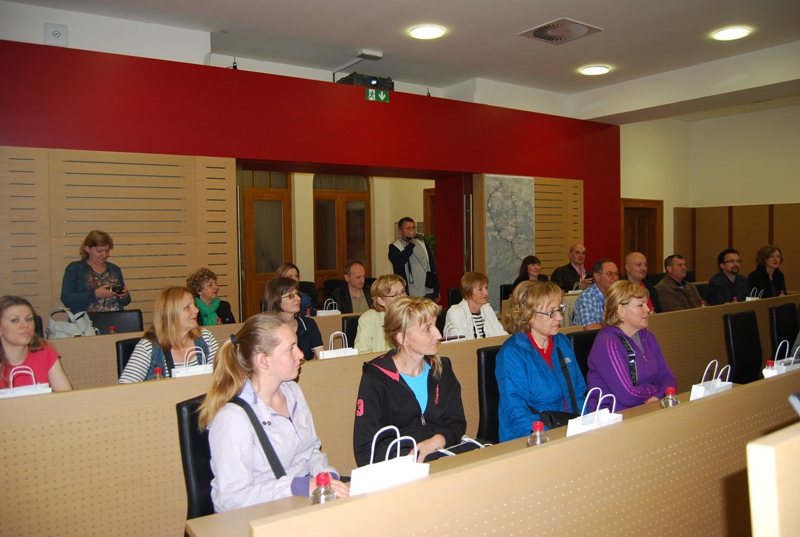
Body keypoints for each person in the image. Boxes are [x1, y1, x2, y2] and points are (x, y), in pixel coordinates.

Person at [198, 313, 348, 512]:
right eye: (291, 349)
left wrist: (327, 476)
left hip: (299, 503)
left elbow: (311, 450)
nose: (301, 354)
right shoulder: (233, 418)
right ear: (263, 360)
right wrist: (294, 486)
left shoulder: (292, 391)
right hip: (261, 514)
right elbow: (231, 499)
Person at [353, 296, 466, 466]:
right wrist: (407, 458)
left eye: (435, 325)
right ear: (402, 338)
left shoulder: (441, 370)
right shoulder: (376, 379)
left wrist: (438, 440)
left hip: (442, 459)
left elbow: (457, 423)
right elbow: (365, 449)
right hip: (399, 468)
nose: (438, 335)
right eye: (427, 329)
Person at [496, 281, 587, 440]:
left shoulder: (562, 343)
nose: (560, 317)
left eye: (559, 309)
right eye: (552, 312)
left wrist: (584, 425)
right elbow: (517, 415)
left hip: (567, 433)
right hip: (531, 439)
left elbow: (579, 393)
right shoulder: (512, 354)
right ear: (529, 315)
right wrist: (553, 437)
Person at [586, 280, 677, 411]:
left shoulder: (648, 337)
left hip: (647, 409)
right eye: (640, 305)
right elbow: (627, 395)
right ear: (621, 310)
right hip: (615, 417)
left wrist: (659, 395)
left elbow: (668, 377)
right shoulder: (607, 344)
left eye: (646, 304)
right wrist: (658, 390)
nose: (648, 309)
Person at [118, 286, 219, 382]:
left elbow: (221, 377)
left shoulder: (206, 338)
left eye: (194, 305)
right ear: (171, 314)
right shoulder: (148, 347)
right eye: (188, 307)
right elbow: (124, 389)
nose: (196, 310)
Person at [0, 296, 72, 392]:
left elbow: (65, 395)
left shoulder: (43, 350)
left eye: (29, 319)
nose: (26, 325)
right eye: (15, 320)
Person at [60, 230, 131, 312]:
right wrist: (95, 294)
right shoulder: (75, 269)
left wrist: (125, 295)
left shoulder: (114, 269)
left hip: (115, 318)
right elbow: (66, 299)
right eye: (99, 251)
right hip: (86, 319)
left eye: (107, 251)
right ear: (87, 249)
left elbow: (125, 302)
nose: (104, 255)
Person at [263, 277, 323, 360]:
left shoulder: (309, 324)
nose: (298, 298)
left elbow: (321, 358)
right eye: (291, 296)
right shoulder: (268, 330)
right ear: (276, 300)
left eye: (297, 294)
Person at [389, 217, 440, 302]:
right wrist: (410, 245)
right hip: (409, 293)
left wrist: (436, 289)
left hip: (428, 291)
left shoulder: (423, 244)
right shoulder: (394, 247)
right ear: (400, 231)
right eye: (408, 228)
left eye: (413, 227)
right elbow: (399, 262)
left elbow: (432, 266)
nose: (411, 230)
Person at [445, 272, 507, 340]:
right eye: (480, 289)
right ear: (467, 293)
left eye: (486, 288)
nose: (486, 293)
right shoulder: (455, 312)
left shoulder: (487, 309)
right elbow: (459, 342)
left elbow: (501, 335)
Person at [354, 274, 406, 354]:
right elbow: (362, 353)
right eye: (395, 294)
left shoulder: (413, 316)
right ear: (381, 301)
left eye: (402, 292)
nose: (402, 298)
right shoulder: (368, 319)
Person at [572, 259, 620, 330]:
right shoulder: (587, 296)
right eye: (610, 274)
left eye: (617, 274)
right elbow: (589, 327)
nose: (615, 278)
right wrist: (616, 328)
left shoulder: (619, 295)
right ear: (597, 277)